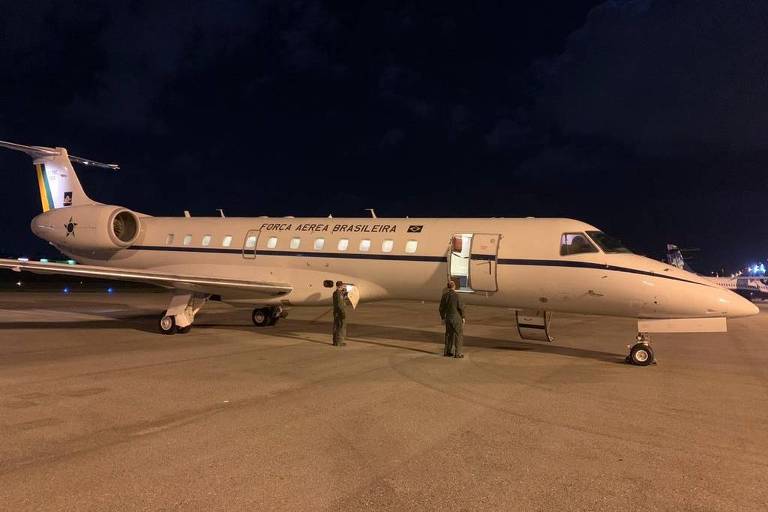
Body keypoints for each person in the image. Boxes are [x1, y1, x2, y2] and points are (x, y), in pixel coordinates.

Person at [439, 280, 465, 358]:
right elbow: (461, 307)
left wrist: (443, 317)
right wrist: (463, 317)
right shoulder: (457, 296)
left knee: (448, 335)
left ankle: (447, 352)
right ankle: (458, 353)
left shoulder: (444, 296)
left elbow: (441, 308)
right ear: (454, 286)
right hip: (456, 318)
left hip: (448, 318)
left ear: (448, 287)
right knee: (458, 335)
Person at [332, 280, 347, 346]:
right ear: (340, 285)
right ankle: (340, 342)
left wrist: (344, 295)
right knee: (341, 326)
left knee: (336, 326)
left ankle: (335, 341)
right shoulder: (339, 293)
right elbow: (340, 304)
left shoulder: (335, 293)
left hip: (336, 311)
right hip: (339, 311)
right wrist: (342, 312)